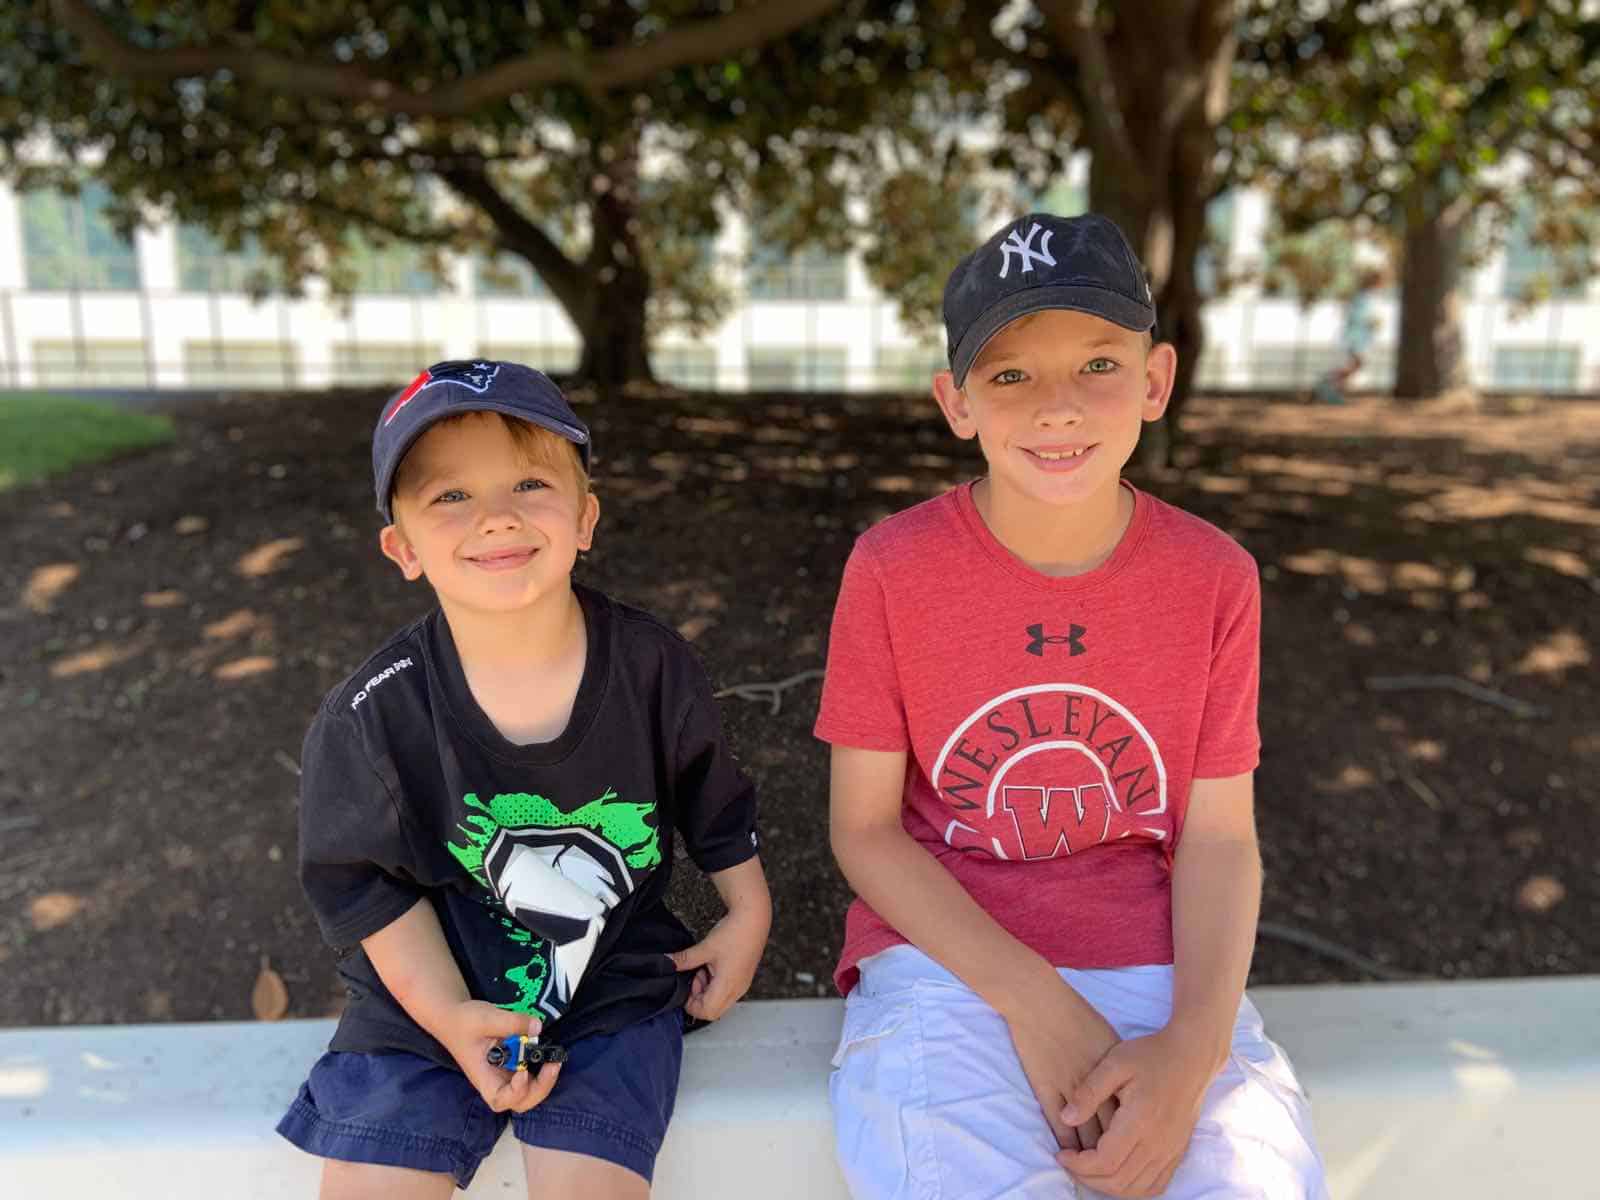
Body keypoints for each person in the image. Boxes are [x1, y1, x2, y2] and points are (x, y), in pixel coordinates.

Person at [815, 214, 1328, 1199]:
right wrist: (1034, 1004)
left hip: (1158, 968)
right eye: (1010, 375)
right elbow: (866, 831)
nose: (1057, 408)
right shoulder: (893, 567)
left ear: (1155, 380)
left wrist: (1192, 1052)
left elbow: (1219, 839)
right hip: (945, 966)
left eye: (1097, 364)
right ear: (954, 402)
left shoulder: (1214, 577)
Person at [276, 360, 771, 1200]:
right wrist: (448, 1016)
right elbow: (366, 892)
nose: (496, 517)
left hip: (608, 983)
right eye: (450, 497)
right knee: (372, 1186)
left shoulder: (652, 666)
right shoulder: (373, 717)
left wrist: (750, 913)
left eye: (530, 483)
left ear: (585, 517)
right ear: (402, 548)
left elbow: (712, 801)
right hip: (424, 1002)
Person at [1313, 266, 1384, 404]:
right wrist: (1372, 323)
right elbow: (1357, 316)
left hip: (1359, 337)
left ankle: (1330, 388)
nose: (1382, 285)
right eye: (1380, 282)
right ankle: (1327, 385)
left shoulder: (1366, 296)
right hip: (1355, 337)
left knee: (1356, 364)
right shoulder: (1363, 297)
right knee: (1357, 364)